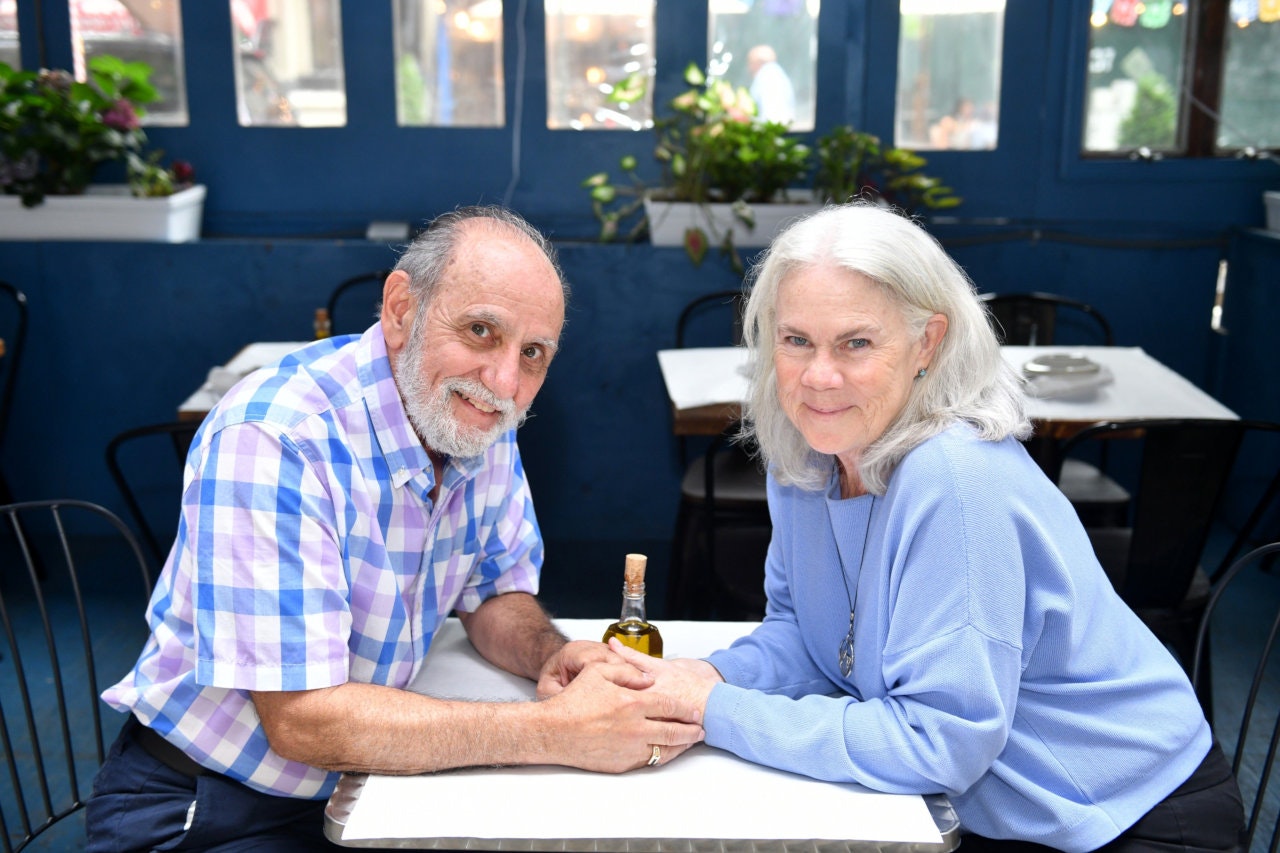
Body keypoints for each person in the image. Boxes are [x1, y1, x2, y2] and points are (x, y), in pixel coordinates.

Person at [600, 202, 1245, 851]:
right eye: (796, 340)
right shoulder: (804, 456)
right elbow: (804, 640)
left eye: (856, 342)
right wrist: (691, 681)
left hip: (1127, 815)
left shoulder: (955, 476)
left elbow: (938, 743)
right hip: (996, 810)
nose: (819, 376)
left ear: (927, 343)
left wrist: (714, 711)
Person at [85, 206, 705, 851]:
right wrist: (554, 728)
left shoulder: (474, 418)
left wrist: (552, 655)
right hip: (212, 804)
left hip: (367, 783)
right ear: (402, 309)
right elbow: (303, 721)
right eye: (481, 330)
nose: (504, 381)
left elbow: (492, 590)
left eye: (534, 354)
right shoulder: (277, 440)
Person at [746, 44, 796, 126]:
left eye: (750, 63)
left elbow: (771, 117)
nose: (749, 68)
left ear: (758, 62)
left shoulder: (767, 76)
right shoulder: (778, 74)